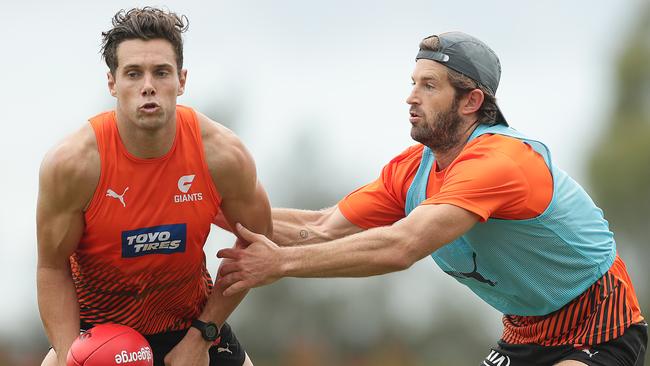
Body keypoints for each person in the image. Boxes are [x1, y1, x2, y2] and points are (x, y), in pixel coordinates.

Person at [215, 32, 647, 365]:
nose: (410, 96)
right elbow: (322, 227)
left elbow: (401, 247)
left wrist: (281, 264)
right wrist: (205, 202)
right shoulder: (413, 170)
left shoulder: (500, 162)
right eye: (412, 83)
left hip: (600, 322)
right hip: (526, 331)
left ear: (471, 101)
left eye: (429, 85)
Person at [36, 7, 271, 366]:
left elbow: (258, 246)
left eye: (161, 72)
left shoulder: (223, 155)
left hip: (189, 326)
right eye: (133, 73)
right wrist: (75, 358)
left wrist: (202, 336)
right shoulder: (73, 164)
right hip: (98, 333)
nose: (148, 85)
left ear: (181, 80)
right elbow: (52, 269)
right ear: (112, 82)